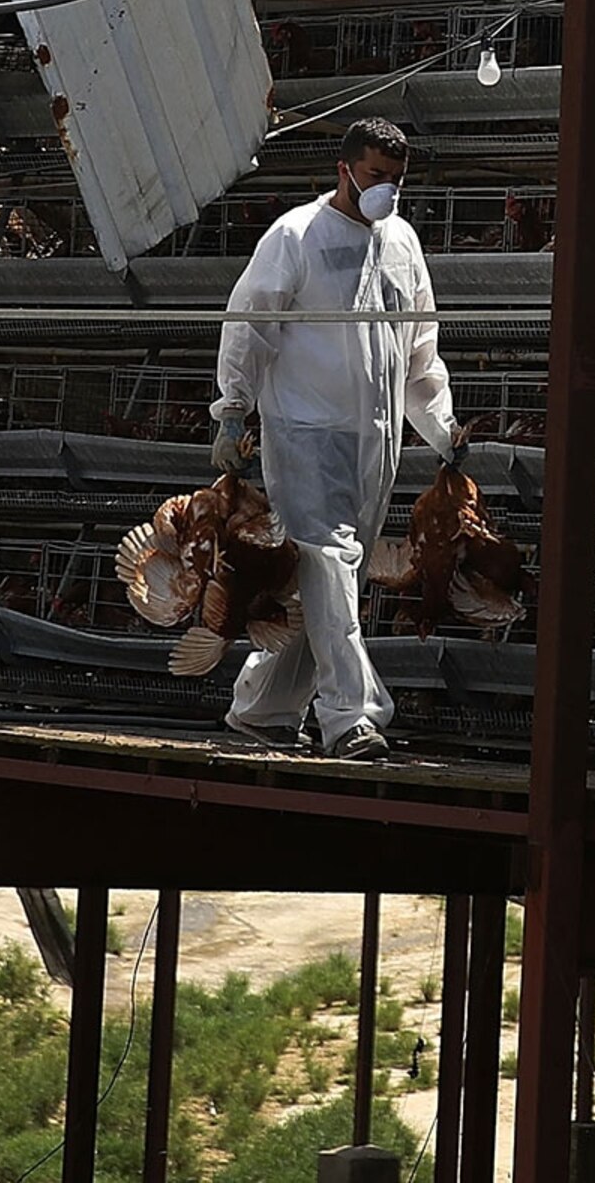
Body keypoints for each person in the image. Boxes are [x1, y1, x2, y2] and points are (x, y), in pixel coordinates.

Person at [209, 117, 463, 760]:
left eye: (397, 180)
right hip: (305, 429)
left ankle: (262, 705)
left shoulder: (402, 242)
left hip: (375, 440)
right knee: (328, 562)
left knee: (323, 580)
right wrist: (232, 411)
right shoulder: (296, 235)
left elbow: (419, 349)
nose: (388, 191)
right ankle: (353, 715)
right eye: (377, 176)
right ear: (345, 169)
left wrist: (441, 428)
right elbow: (251, 324)